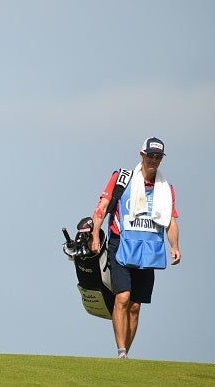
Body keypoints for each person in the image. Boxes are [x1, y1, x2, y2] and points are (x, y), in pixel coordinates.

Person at [89, 137, 181, 359]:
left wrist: (175, 246)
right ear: (142, 155)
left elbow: (170, 220)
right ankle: (121, 353)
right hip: (120, 243)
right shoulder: (122, 178)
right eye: (150, 155)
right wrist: (94, 234)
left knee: (135, 306)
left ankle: (126, 355)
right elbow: (102, 205)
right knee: (122, 297)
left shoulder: (165, 189)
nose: (154, 160)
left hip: (148, 247)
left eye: (158, 156)